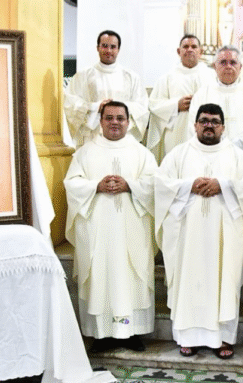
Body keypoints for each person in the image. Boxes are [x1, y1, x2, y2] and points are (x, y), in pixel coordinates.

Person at [155, 103, 243, 360]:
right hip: (187, 236)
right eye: (204, 120)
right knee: (189, 282)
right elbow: (160, 183)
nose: (209, 125)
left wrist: (222, 185)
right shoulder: (179, 154)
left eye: (214, 121)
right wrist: (189, 185)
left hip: (224, 237)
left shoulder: (235, 155)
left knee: (224, 282)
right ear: (195, 124)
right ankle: (187, 337)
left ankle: (223, 338)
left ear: (223, 127)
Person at [63, 101, 157, 353]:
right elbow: (71, 183)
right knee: (101, 278)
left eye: (120, 118)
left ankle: (130, 330)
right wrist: (95, 186)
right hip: (98, 231)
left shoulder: (142, 153)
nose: (115, 122)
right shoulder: (85, 152)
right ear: (101, 120)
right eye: (109, 118)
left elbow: (154, 185)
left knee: (130, 278)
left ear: (129, 122)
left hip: (132, 230)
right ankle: (102, 334)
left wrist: (130, 186)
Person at [64, 30, 149, 146]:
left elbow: (142, 107)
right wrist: (96, 107)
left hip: (123, 137)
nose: (108, 50)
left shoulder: (131, 77)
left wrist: (119, 109)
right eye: (104, 46)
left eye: (113, 47)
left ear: (118, 50)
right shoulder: (83, 75)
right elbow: (70, 103)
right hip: (93, 136)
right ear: (97, 48)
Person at [187, 45, 243, 166]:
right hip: (210, 157)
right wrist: (216, 149)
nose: (228, 66)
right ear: (214, 66)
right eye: (223, 62)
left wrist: (231, 149)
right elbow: (194, 126)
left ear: (240, 67)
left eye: (233, 62)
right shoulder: (202, 93)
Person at [147, 34, 216, 162]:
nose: (190, 49)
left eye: (194, 46)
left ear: (200, 51)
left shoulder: (212, 76)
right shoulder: (167, 78)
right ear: (179, 51)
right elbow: (154, 105)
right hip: (176, 135)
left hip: (206, 132)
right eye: (185, 46)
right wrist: (175, 105)